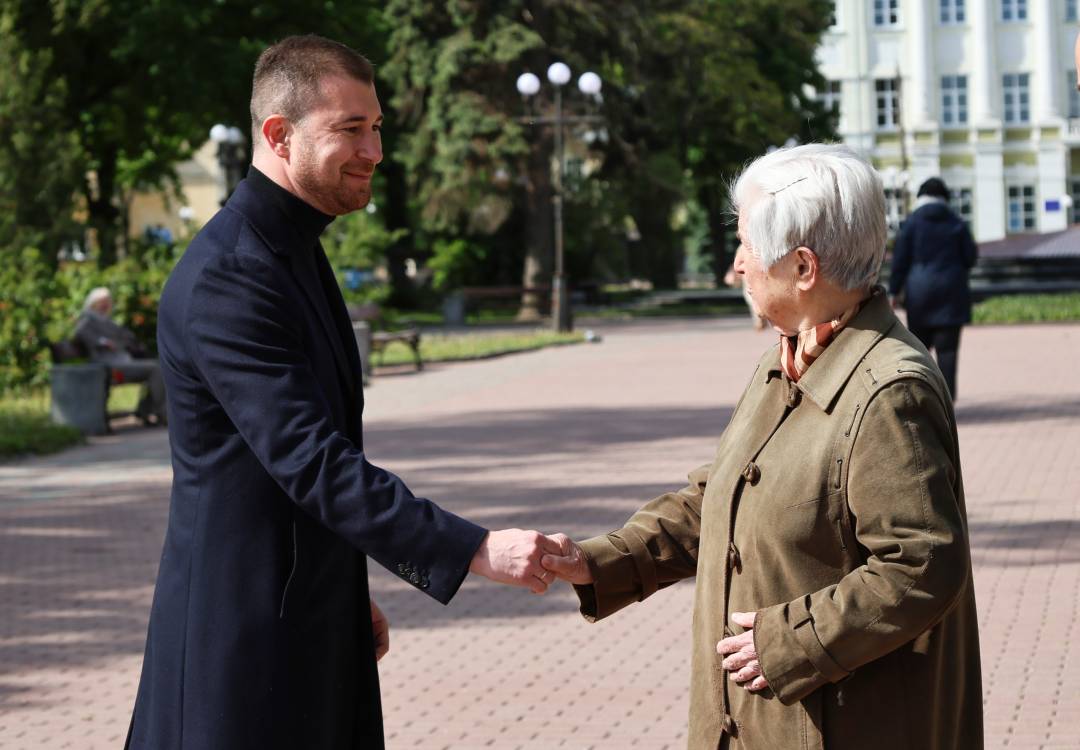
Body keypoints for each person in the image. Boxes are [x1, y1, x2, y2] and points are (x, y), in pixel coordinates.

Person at [125, 35, 561, 750]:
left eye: (377, 127)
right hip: (238, 650)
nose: (374, 151)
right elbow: (311, 459)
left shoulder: (289, 249)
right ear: (277, 135)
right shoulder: (231, 276)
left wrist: (339, 587)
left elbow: (296, 471)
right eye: (350, 129)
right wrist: (474, 549)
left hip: (303, 620)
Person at [542, 144, 982, 749]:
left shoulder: (888, 390)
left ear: (803, 267)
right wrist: (604, 560)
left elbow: (924, 562)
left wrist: (793, 641)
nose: (736, 266)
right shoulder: (792, 356)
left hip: (841, 725)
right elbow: (724, 495)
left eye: (747, 245)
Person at [888, 177, 978, 400]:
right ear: (944, 197)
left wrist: (893, 290)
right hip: (951, 293)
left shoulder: (911, 223)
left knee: (918, 353)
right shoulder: (956, 222)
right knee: (948, 352)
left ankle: (921, 402)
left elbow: (900, 260)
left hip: (920, 295)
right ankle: (947, 405)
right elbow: (970, 257)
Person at [73, 287, 167, 424]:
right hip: (109, 365)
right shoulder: (88, 318)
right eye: (102, 302)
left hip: (122, 361)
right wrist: (103, 342)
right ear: (93, 303)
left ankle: (145, 409)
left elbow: (127, 336)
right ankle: (161, 412)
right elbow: (81, 332)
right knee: (156, 369)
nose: (105, 305)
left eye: (107, 301)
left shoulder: (106, 320)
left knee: (159, 367)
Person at [723, 245, 768, 331]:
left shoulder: (743, 247)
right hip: (752, 276)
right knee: (752, 298)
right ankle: (760, 317)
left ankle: (759, 318)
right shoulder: (749, 245)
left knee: (752, 298)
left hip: (751, 276)